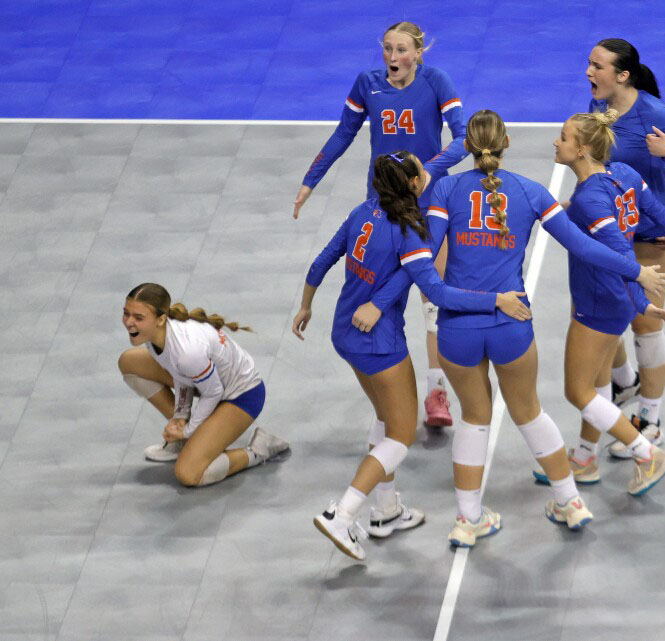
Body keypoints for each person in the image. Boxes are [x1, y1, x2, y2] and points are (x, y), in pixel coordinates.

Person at [360, 110, 665, 547]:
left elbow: (421, 261)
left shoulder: (445, 190)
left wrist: (378, 303)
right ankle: (570, 502)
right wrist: (636, 272)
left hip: (457, 330)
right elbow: (584, 245)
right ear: (506, 143)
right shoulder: (531, 192)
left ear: (468, 147)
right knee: (529, 412)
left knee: (474, 419)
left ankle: (468, 520)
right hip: (512, 325)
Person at [292, 150, 532, 561]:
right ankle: (342, 514)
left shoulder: (361, 213)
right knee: (401, 436)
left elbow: (320, 263)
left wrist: (305, 306)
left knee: (384, 416)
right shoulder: (408, 233)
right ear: (414, 184)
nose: (428, 172)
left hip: (344, 332)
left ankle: (386, 511)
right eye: (422, 170)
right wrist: (497, 300)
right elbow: (437, 293)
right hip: (380, 343)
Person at [293, 21, 469, 427]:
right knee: (380, 300)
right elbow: (343, 134)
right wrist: (310, 180)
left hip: (429, 206)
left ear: (419, 53)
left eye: (402, 49)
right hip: (385, 204)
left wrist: (427, 170)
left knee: (432, 302)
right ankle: (387, 399)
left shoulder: (436, 81)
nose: (393, 57)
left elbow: (463, 138)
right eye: (387, 48)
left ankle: (436, 393)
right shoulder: (367, 84)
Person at [535, 109, 665, 493]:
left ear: (582, 149)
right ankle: (585, 459)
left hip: (598, 300)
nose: (556, 142)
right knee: (599, 382)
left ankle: (647, 454)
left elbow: (619, 251)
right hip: (611, 299)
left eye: (564, 137)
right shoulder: (621, 175)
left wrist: (640, 295)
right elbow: (646, 216)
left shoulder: (589, 199)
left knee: (577, 391)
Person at [586, 38, 665, 456]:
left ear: (623, 75)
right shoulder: (599, 107)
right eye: (590, 64)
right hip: (609, 233)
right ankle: (625, 381)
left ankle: (651, 422)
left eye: (598, 66)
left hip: (649, 237)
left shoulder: (656, 115)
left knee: (645, 324)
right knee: (605, 315)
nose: (589, 72)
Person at [118, 283, 288, 487]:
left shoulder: (187, 352)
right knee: (129, 362)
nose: (129, 322)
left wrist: (188, 431)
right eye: (126, 313)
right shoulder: (155, 334)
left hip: (242, 396)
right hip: (207, 382)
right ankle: (184, 442)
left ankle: (260, 449)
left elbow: (213, 392)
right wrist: (180, 417)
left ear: (161, 319)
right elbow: (180, 375)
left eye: (138, 317)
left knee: (189, 474)